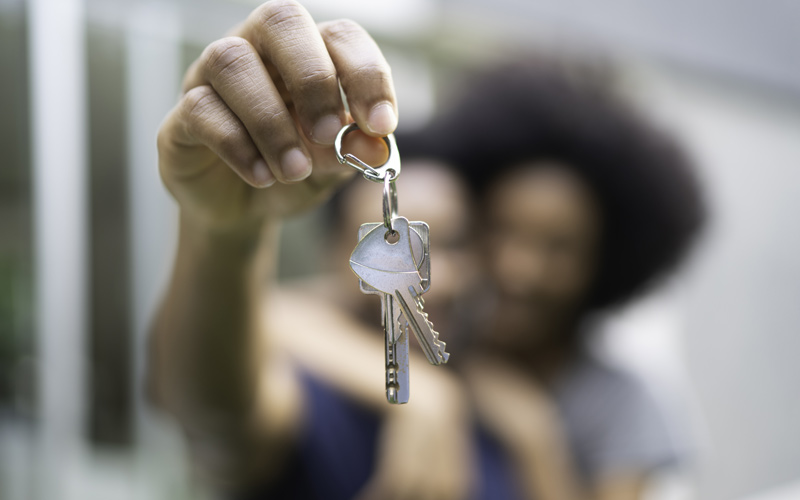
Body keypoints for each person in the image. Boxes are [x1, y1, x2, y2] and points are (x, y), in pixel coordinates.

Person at [148, 2, 704, 499]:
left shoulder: (543, 408)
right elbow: (219, 406)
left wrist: (530, 434)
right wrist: (225, 234)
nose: (519, 269)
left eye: (454, 242)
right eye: (393, 242)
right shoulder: (318, 399)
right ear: (340, 264)